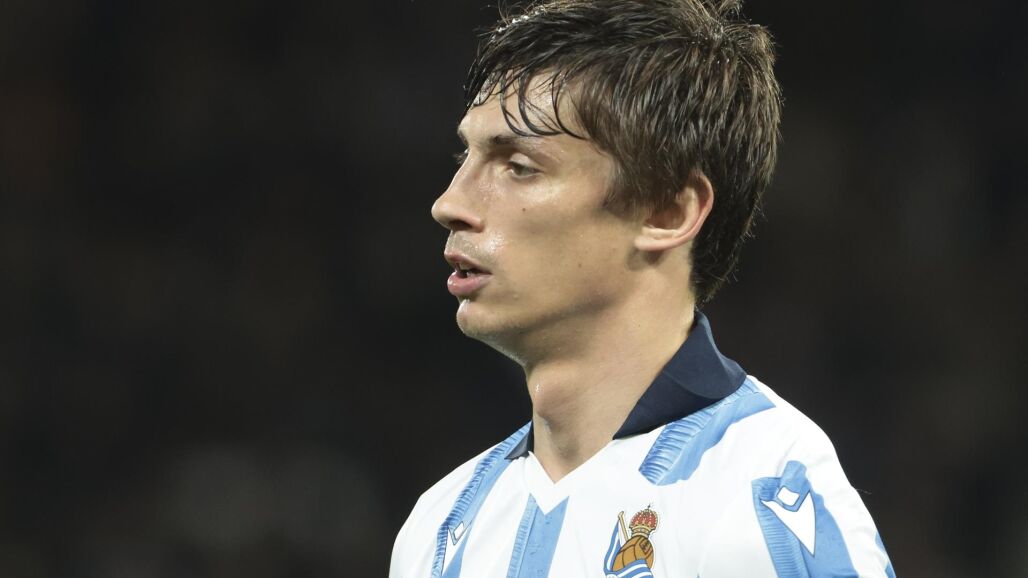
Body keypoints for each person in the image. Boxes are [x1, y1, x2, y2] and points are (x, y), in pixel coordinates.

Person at [391, 0, 895, 576]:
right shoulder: (439, 527)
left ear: (666, 213)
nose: (449, 203)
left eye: (519, 166)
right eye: (467, 156)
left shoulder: (764, 499)